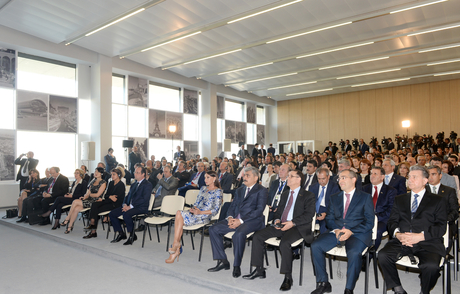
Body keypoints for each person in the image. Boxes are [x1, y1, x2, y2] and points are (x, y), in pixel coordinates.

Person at [379, 165, 448, 294]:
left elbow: (441, 226)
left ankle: (425, 291)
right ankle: (398, 289)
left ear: (425, 180)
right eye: (409, 177)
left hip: (427, 242)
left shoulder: (438, 201)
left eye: (414, 177)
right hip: (402, 240)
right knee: (383, 255)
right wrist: (398, 234)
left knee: (431, 266)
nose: (409, 180)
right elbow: (392, 221)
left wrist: (420, 236)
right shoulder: (400, 199)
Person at [243, 169, 315, 291]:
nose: (288, 178)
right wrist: (277, 220)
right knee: (257, 236)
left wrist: (292, 223)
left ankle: (288, 277)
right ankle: (259, 269)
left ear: (298, 180)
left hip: (297, 227)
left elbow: (309, 215)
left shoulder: (308, 195)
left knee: (285, 243)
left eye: (291, 176)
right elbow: (279, 212)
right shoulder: (285, 194)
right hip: (281, 225)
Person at [310, 169, 374, 294]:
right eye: (339, 178)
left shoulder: (365, 197)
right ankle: (323, 282)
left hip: (357, 233)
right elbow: (329, 218)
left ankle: (349, 289)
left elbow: (369, 222)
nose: (340, 180)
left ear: (353, 179)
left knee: (354, 252)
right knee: (315, 245)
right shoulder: (334, 197)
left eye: (344, 177)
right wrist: (336, 229)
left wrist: (351, 231)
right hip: (337, 231)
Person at [208, 166, 268, 278]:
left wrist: (240, 221)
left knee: (238, 234)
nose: (244, 177)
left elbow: (259, 210)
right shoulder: (240, 190)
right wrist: (230, 217)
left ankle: (236, 266)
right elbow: (233, 205)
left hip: (253, 221)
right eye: (244, 175)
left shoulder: (261, 190)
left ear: (256, 178)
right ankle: (223, 261)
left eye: (247, 175)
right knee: (213, 229)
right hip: (235, 219)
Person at [166, 171, 223, 263]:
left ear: (214, 178)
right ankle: (176, 246)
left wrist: (200, 212)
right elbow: (196, 202)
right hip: (195, 213)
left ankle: (176, 246)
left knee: (179, 218)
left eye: (208, 177)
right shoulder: (203, 188)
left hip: (205, 215)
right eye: (205, 177)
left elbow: (215, 210)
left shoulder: (218, 191)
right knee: (179, 216)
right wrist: (194, 208)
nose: (205, 180)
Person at [109, 166, 152, 245]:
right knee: (112, 213)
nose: (135, 174)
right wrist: (125, 204)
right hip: (129, 206)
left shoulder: (147, 185)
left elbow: (144, 199)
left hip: (141, 207)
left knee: (126, 214)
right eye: (135, 172)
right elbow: (127, 196)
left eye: (137, 172)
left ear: (143, 174)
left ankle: (132, 235)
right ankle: (121, 233)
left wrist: (130, 206)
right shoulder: (134, 184)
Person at [82, 168, 126, 239]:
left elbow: (116, 200)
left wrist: (109, 197)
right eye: (111, 174)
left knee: (95, 209)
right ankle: (92, 226)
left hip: (115, 205)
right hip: (108, 202)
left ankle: (93, 229)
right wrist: (110, 196)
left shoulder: (121, 185)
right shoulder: (111, 183)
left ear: (119, 175)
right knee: (94, 204)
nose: (112, 176)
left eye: (114, 174)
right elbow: (106, 195)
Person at [60, 167, 106, 233]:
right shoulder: (93, 180)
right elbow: (88, 192)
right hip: (88, 200)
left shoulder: (103, 182)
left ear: (101, 173)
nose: (95, 173)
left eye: (97, 172)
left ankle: (67, 219)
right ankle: (69, 227)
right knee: (76, 209)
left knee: (75, 201)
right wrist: (84, 197)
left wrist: (89, 195)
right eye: (95, 171)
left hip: (95, 202)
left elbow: (97, 195)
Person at [362, 166, 397, 250]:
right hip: (365, 218)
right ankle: (360, 251)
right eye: (371, 173)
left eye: (375, 174)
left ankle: (370, 254)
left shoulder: (390, 191)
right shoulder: (364, 189)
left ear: (382, 177)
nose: (372, 176)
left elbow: (391, 209)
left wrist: (375, 218)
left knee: (377, 231)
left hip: (382, 219)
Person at [426, 165, 458, 239]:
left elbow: (454, 210)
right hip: (426, 224)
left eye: (433, 174)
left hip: (445, 223)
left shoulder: (449, 191)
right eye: (428, 175)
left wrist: (444, 220)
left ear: (440, 176)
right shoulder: (422, 190)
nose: (430, 177)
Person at [308, 168, 340, 234]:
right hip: (313, 211)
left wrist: (326, 213)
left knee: (325, 227)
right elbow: (309, 203)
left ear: (328, 177)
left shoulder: (335, 187)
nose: (321, 181)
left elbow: (336, 205)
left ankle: (321, 242)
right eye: (319, 179)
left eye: (323, 178)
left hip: (327, 211)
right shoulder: (312, 187)